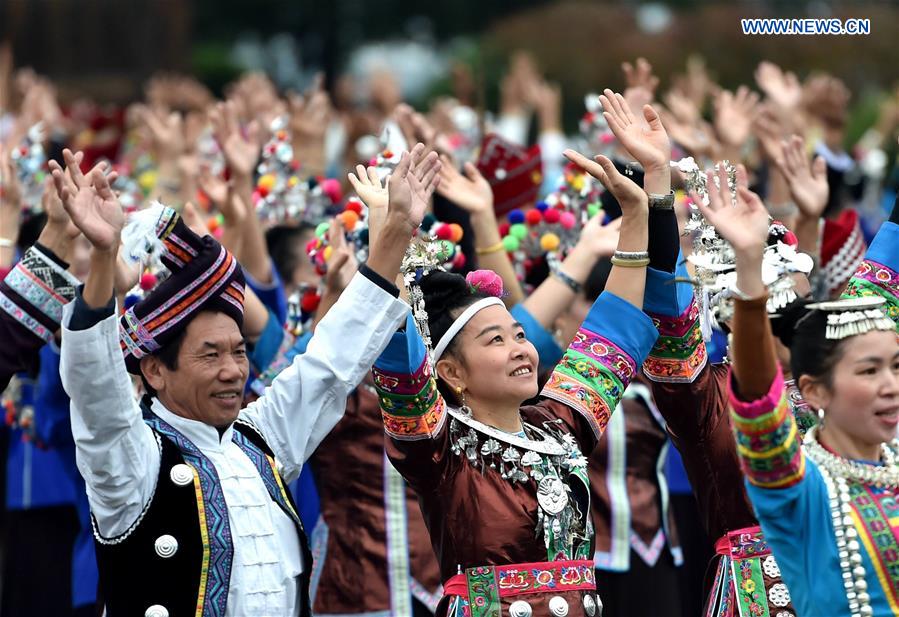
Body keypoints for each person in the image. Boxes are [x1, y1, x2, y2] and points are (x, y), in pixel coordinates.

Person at [54, 145, 439, 616]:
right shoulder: (133, 458)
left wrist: (397, 229)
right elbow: (97, 391)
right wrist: (102, 256)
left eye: (239, 352)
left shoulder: (261, 438)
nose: (234, 370)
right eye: (210, 355)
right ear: (154, 370)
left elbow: (332, 363)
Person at [371, 91, 662, 617]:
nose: (521, 347)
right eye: (496, 340)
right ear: (451, 372)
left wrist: (638, 213)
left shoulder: (560, 426)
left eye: (519, 334)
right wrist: (389, 241)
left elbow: (612, 331)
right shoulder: (438, 449)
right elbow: (400, 362)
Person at [700, 164, 899, 616]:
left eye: (896, 367)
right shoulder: (796, 487)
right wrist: (750, 270)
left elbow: (885, 285)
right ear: (816, 392)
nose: (890, 386)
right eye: (869, 372)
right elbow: (755, 399)